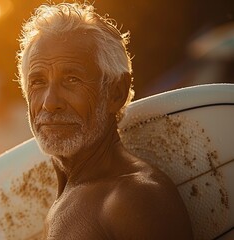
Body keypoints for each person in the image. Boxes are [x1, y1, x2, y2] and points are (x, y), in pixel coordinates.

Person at [16, 2, 193, 239]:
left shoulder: (132, 200)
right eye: (37, 82)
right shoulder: (72, 195)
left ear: (116, 92)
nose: (49, 102)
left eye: (71, 79)